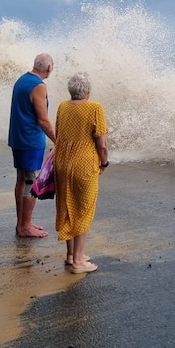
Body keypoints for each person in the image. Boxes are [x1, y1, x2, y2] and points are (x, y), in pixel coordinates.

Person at [53, 72, 109, 274]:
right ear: (87, 91)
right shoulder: (94, 108)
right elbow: (101, 144)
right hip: (84, 164)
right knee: (84, 209)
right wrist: (104, 163)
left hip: (62, 162)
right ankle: (78, 262)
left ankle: (71, 255)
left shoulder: (63, 106)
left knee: (68, 205)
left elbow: (58, 136)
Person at [9, 53, 57, 238]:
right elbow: (43, 120)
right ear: (49, 68)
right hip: (30, 140)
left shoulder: (22, 80)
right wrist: (57, 140)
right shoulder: (39, 86)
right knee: (30, 181)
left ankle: (21, 223)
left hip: (18, 138)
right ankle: (25, 225)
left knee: (22, 179)